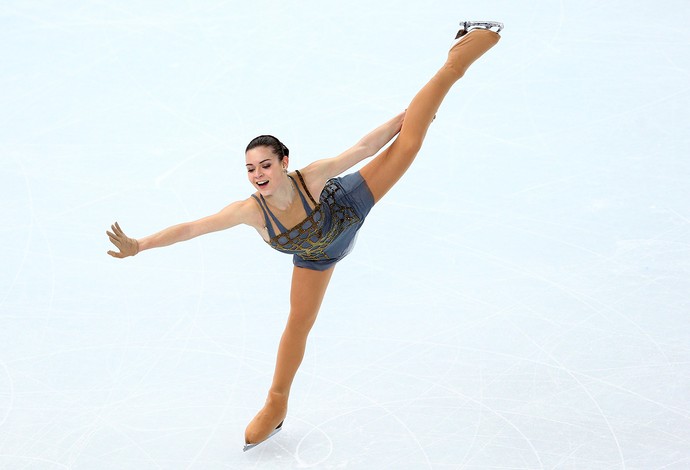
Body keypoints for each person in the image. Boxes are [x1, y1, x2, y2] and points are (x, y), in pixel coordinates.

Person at [106, 20, 503, 450]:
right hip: (318, 255)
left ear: (284, 162)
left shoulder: (310, 179)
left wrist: (409, 118)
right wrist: (140, 244)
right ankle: (275, 404)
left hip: (349, 206)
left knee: (408, 144)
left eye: (266, 165)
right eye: (250, 168)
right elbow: (191, 228)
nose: (258, 174)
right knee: (298, 324)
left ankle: (460, 55)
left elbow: (365, 148)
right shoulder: (249, 212)